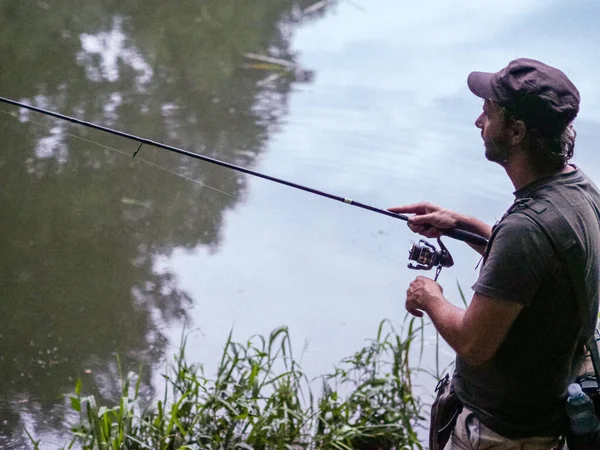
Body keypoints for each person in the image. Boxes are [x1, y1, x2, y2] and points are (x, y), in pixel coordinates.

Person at [389, 58, 600, 449]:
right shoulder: (578, 189)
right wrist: (461, 224)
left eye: (488, 112)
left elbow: (474, 342)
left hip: (501, 435)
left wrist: (430, 298)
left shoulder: (526, 230)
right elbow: (542, 264)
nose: (478, 122)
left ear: (517, 131)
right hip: (539, 420)